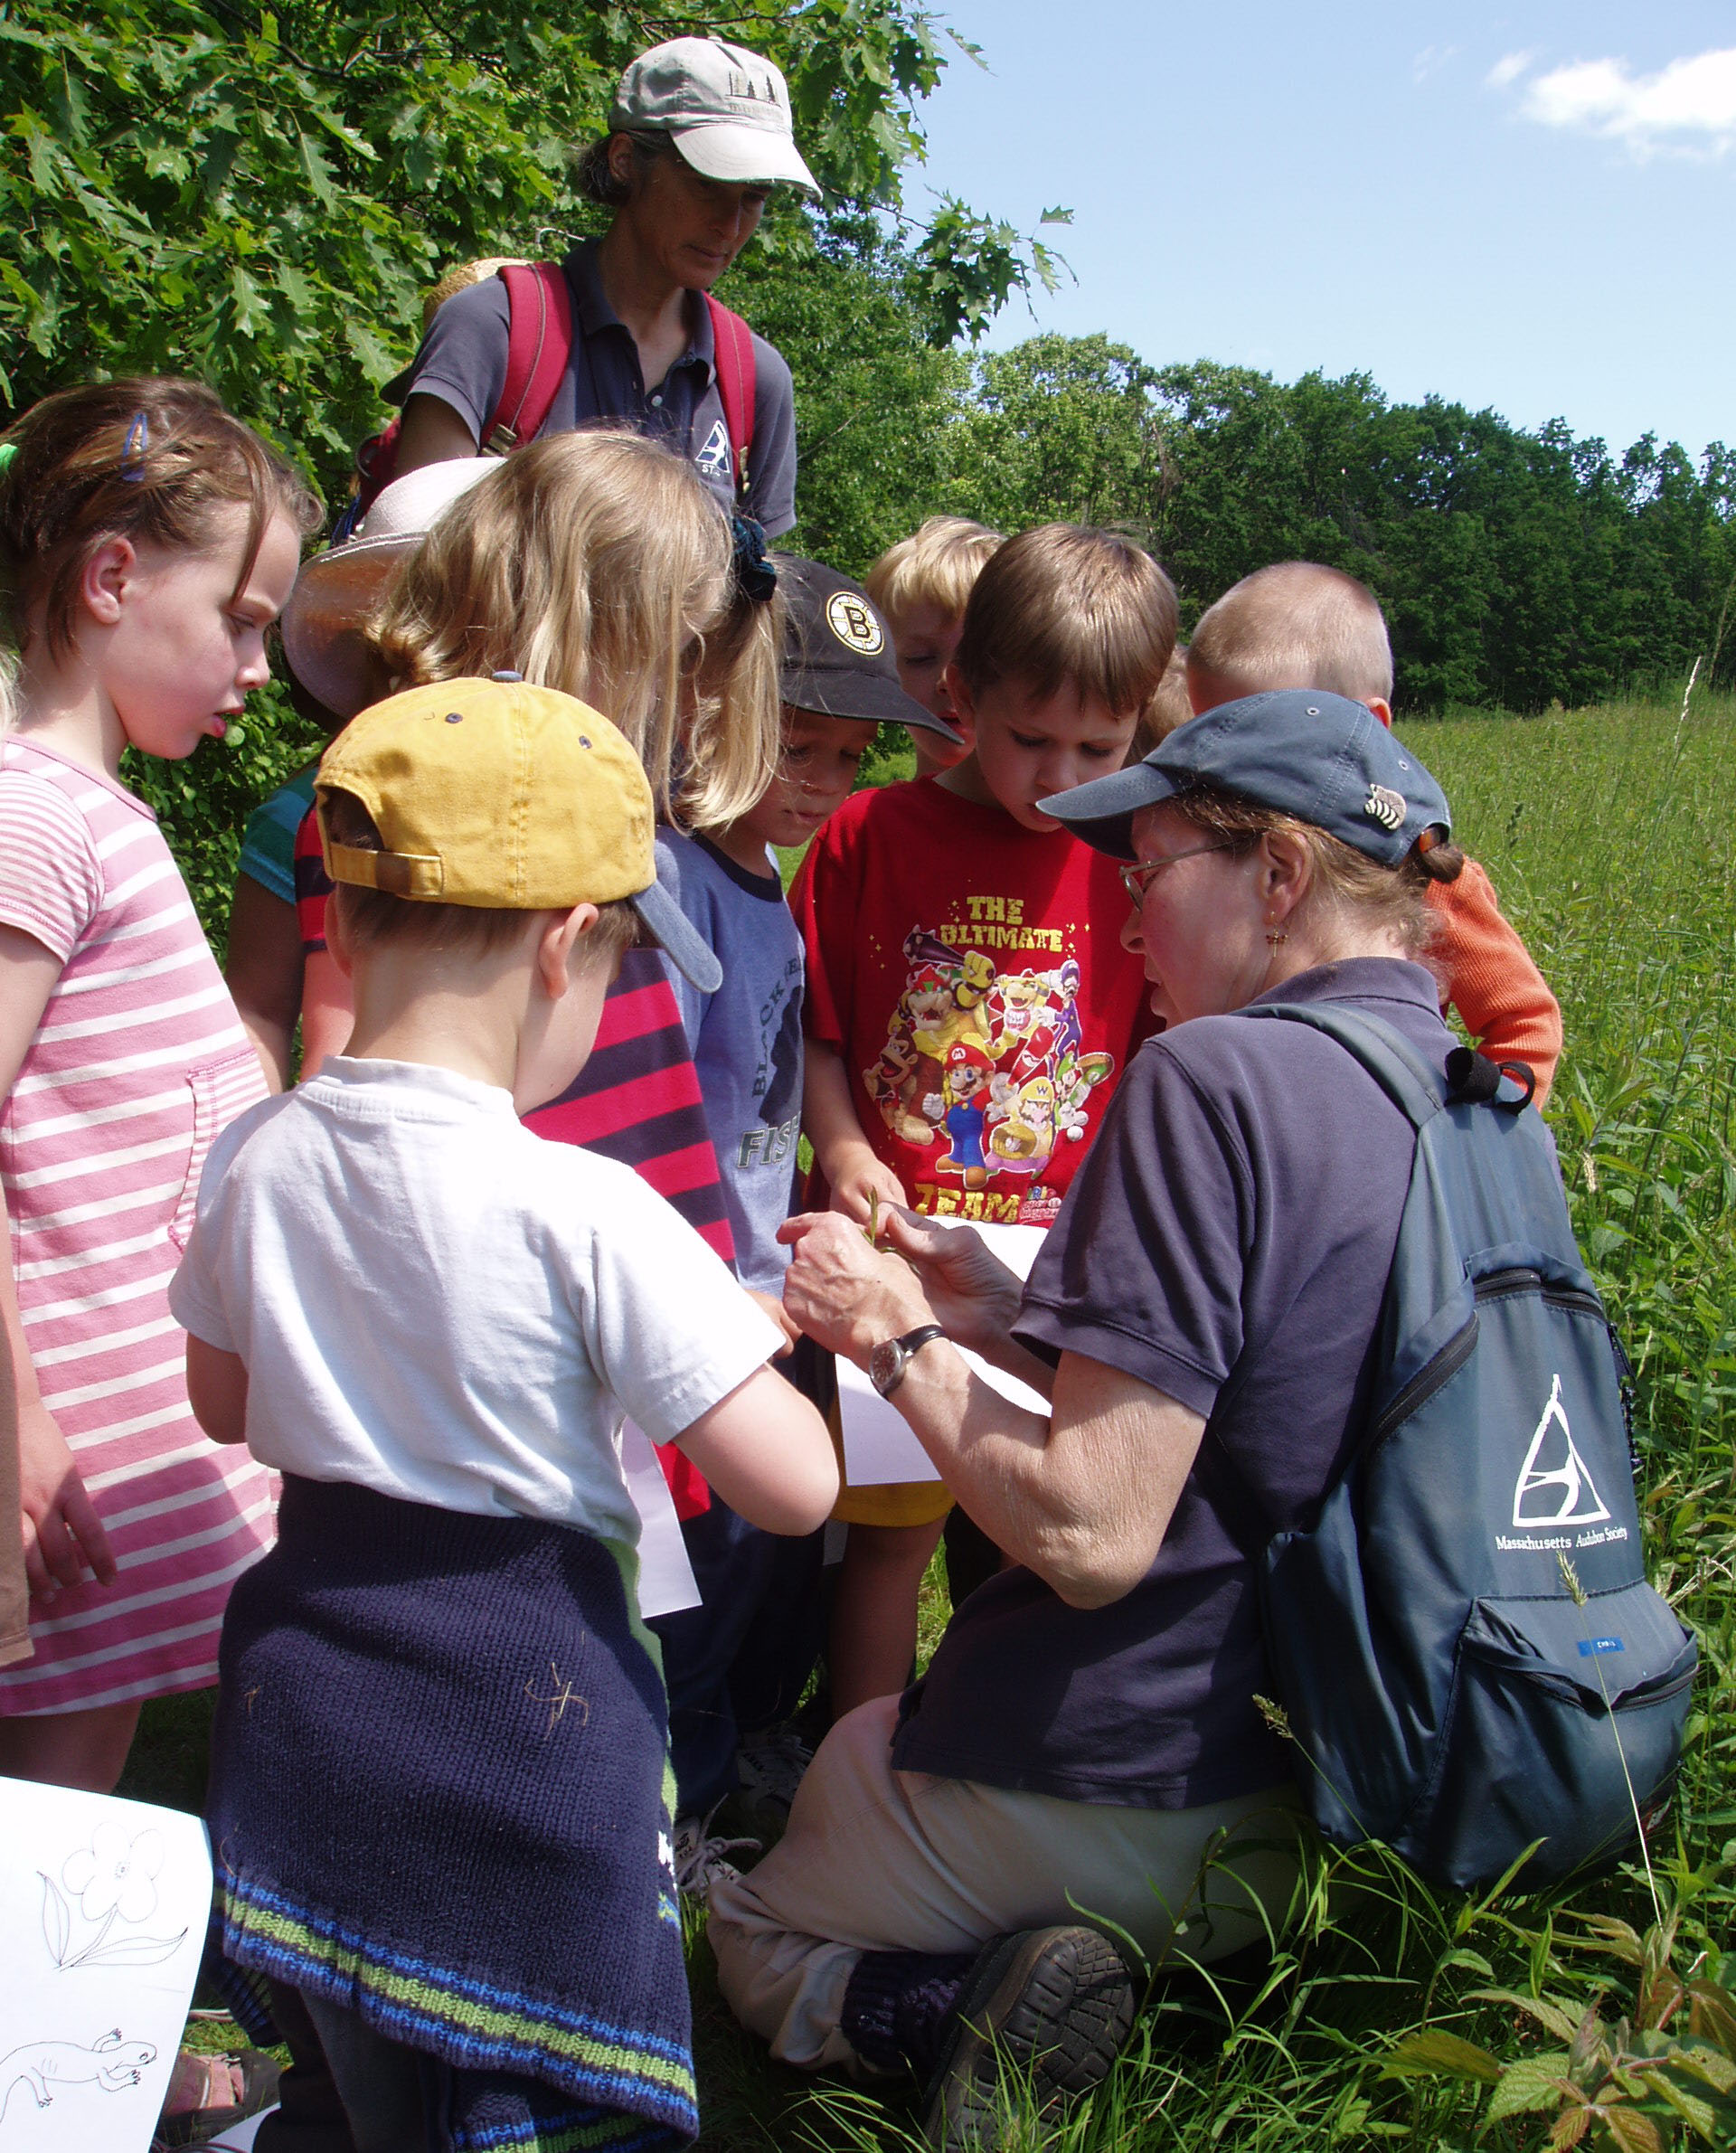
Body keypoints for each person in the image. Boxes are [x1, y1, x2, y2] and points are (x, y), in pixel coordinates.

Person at [711, 689, 1467, 2148]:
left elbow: (1091, 1533)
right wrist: (1001, 1303)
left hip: (1135, 1769)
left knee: (761, 1901)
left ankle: (940, 2012)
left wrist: (891, 1331)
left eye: (1150, 876)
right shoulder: (1471, 1092)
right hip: (1355, 1794)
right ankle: (1164, 1982)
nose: (1123, 932)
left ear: (1281, 879)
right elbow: (1268, 1384)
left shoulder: (1207, 1077)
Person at [173, 674, 838, 2152]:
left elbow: (224, 1400)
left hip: (303, 1714)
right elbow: (790, 1488)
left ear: (343, 921)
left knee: (363, 2059)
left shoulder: (255, 1156)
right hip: (521, 1738)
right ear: (561, 950)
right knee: (536, 2092)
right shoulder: (589, 1207)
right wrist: (764, 1339)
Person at [790, 524, 1175, 1720]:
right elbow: (816, 1029)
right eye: (1029, 737)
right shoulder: (871, 836)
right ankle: (853, 1759)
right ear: (960, 695)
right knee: (890, 1545)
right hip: (899, 1263)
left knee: (1027, 1535)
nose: (1061, 773)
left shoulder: (1138, 859)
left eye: (1097, 746)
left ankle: (985, 1757)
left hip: (1060, 1273)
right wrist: (846, 1146)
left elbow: (1167, 1056)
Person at [0, 377, 316, 1790]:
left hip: (103, 1461)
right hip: (47, 1444)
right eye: (241, 620)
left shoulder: (93, 813)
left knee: (79, 1774)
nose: (259, 662)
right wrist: (16, 1420)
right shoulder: (33, 818)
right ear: (112, 577)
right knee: (44, 1813)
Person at [654, 559, 955, 1865]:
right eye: (798, 746)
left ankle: (730, 1756)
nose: (826, 783)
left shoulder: (762, 881)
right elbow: (657, 1114)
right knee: (699, 1571)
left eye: (848, 754)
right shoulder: (668, 887)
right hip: (688, 1295)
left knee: (764, 1559)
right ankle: (676, 1809)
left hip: (759, 1290)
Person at [385, 37, 816, 534]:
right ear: (625, 159)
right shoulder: (491, 327)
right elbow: (405, 563)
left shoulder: (756, 381)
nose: (730, 223)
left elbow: (756, 595)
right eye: (707, 183)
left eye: (755, 196)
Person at [1186, 560, 1563, 1098]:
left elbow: (1524, 1024)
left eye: (1266, 741)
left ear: (1368, 728)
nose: (1230, 775)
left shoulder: (1429, 881)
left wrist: (1470, 1124)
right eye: (1208, 743)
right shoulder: (1212, 867)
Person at [864, 515, 1002, 779]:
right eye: (921, 658)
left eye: (978, 658)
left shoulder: (1062, 818)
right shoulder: (860, 819)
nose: (947, 680)